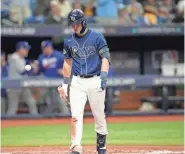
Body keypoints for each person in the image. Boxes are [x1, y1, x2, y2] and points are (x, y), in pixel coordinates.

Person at [58, 9, 110, 154]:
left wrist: (104, 76)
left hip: (95, 80)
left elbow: (105, 58)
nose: (74, 26)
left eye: (76, 23)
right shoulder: (68, 40)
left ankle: (101, 146)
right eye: (72, 24)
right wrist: (64, 84)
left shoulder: (97, 37)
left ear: (83, 22)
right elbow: (67, 63)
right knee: (75, 115)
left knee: (99, 115)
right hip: (77, 82)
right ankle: (75, 146)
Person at [34, 40, 69, 114]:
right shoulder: (41, 57)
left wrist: (64, 70)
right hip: (47, 82)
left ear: (50, 47)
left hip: (59, 81)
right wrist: (35, 68)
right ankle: (49, 118)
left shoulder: (59, 55)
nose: (44, 49)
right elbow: (39, 71)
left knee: (62, 100)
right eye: (43, 48)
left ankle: (66, 116)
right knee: (47, 100)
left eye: (45, 48)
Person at [7, 41, 38, 115]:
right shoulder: (14, 58)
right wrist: (32, 66)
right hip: (14, 86)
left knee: (32, 103)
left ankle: (36, 121)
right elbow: (23, 71)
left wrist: (32, 64)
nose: (27, 51)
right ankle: (6, 124)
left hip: (23, 85)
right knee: (13, 108)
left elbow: (26, 66)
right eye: (26, 49)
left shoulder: (21, 58)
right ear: (20, 49)